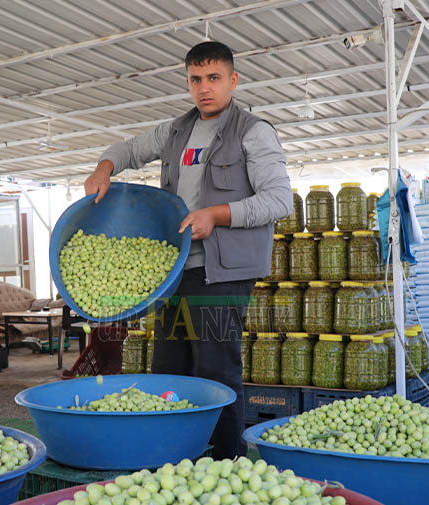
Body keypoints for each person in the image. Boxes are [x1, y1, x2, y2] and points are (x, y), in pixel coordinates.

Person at [85, 41, 292, 458]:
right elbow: (127, 149)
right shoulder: (176, 130)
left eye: (214, 78)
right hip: (175, 271)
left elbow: (279, 200)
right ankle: (176, 458)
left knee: (215, 370)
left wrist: (216, 214)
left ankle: (226, 460)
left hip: (222, 273)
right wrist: (103, 168)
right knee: (169, 369)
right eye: (196, 80)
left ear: (233, 80)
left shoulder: (253, 131)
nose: (205, 88)